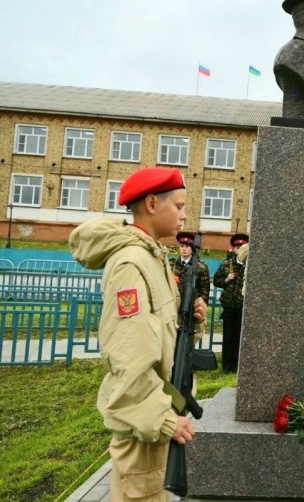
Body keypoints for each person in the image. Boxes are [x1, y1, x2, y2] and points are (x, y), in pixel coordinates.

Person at [69, 166, 206, 500]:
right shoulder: (132, 263)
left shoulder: (152, 255)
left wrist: (192, 321)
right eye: (179, 206)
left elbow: (161, 335)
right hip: (146, 424)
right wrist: (163, 419)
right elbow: (128, 354)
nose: (185, 216)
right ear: (151, 204)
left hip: (156, 415)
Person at [213, 233, 249, 373]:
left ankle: (238, 366)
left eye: (242, 246)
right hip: (229, 306)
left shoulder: (250, 265)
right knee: (228, 337)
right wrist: (226, 279)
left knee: (239, 337)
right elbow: (216, 280)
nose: (239, 248)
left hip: (243, 306)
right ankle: (227, 367)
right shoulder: (226, 264)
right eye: (237, 246)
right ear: (233, 249)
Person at [170, 231, 211, 304]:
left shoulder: (201, 267)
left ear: (192, 248)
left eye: (187, 246)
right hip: (172, 305)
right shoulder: (171, 264)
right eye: (182, 246)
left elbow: (204, 291)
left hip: (191, 306)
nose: (184, 249)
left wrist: (199, 306)